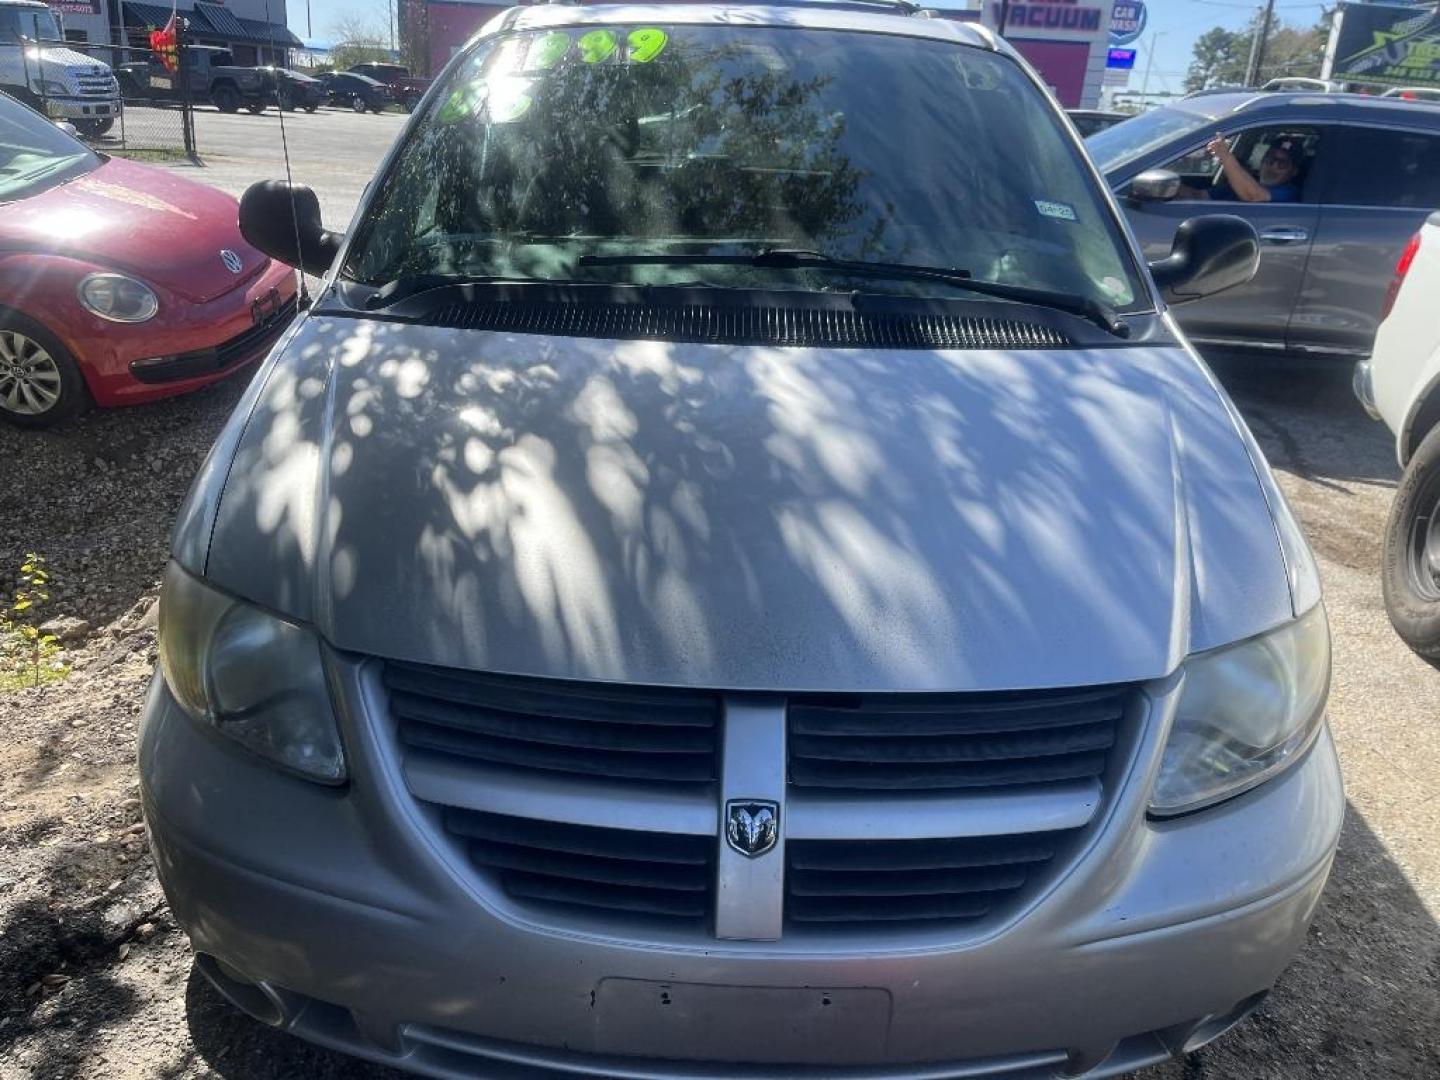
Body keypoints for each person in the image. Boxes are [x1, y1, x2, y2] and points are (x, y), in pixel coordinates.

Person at [1181, 134, 1303, 203]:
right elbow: (1200, 196)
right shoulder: (1243, 182)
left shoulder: (1289, 193)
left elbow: (1254, 196)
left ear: (1293, 172)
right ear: (1262, 160)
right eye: (1270, 159)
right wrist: (1171, 187)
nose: (1273, 166)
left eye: (1282, 164)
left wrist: (1224, 154)